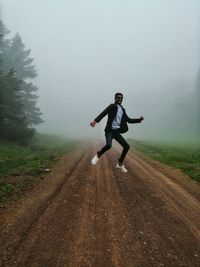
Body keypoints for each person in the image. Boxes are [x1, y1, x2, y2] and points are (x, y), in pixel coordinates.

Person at [90, 92, 144, 173]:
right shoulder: (112, 106)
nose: (120, 99)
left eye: (121, 98)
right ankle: (98, 155)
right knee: (108, 145)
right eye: (118, 97)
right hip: (109, 131)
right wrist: (95, 121)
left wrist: (138, 120)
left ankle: (120, 163)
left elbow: (128, 120)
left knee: (126, 146)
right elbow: (103, 113)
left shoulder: (122, 110)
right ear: (115, 98)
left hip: (116, 132)